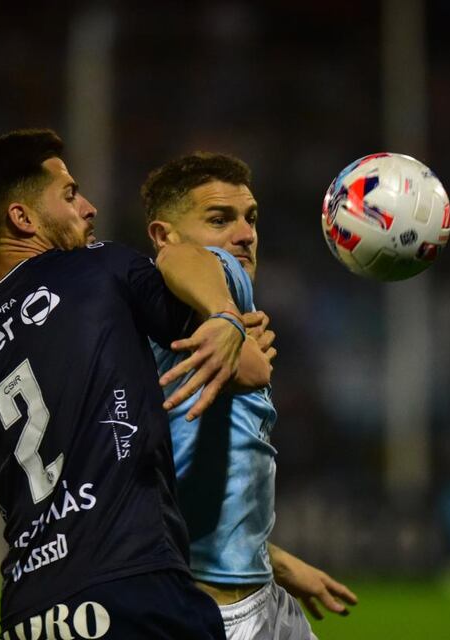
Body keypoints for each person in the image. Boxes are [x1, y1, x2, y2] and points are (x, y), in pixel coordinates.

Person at [0, 129, 258, 640]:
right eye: (69, 195)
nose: (88, 207)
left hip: (27, 612)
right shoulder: (97, 269)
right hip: (131, 586)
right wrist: (226, 316)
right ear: (22, 219)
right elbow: (183, 265)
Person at [141, 152, 358, 640]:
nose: (244, 234)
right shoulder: (205, 287)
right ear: (162, 232)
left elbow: (179, 489)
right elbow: (180, 257)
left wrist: (271, 560)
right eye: (219, 219)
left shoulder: (220, 321)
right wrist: (224, 314)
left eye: (250, 218)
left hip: (258, 593)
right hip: (215, 612)